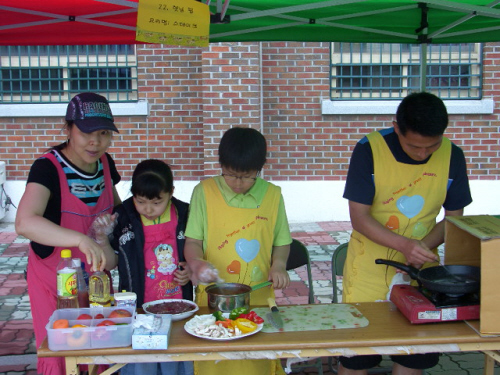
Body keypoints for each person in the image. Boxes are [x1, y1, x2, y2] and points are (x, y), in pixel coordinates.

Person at [340, 92, 472, 375]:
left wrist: (420, 247)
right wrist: (405, 245)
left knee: (414, 354)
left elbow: (454, 220)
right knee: (357, 356)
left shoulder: (452, 156)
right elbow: (359, 217)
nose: (423, 154)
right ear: (396, 127)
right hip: (368, 271)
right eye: (415, 147)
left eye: (432, 146)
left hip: (421, 270)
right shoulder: (369, 149)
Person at [15, 92, 121, 375]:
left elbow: (117, 209)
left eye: (103, 133)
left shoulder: (105, 165)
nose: (95, 142)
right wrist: (79, 239)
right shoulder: (47, 167)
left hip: (97, 278)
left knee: (99, 347)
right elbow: (25, 222)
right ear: (68, 128)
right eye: (86, 132)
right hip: (55, 280)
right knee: (62, 351)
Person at [184, 126, 291, 375]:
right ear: (220, 165)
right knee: (215, 361)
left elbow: (282, 241)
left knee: (256, 360)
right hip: (212, 299)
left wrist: (279, 265)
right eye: (231, 175)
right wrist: (196, 262)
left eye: (247, 176)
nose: (238, 183)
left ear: (260, 169)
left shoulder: (273, 195)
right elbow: (192, 242)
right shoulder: (204, 192)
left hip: (258, 297)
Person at [109, 159, 193, 375]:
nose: (148, 209)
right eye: (140, 201)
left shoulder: (185, 214)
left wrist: (190, 271)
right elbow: (110, 262)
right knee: (141, 362)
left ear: (171, 192)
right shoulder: (122, 216)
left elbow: (199, 252)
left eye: (157, 202)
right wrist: (100, 238)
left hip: (178, 308)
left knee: (174, 358)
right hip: (137, 310)